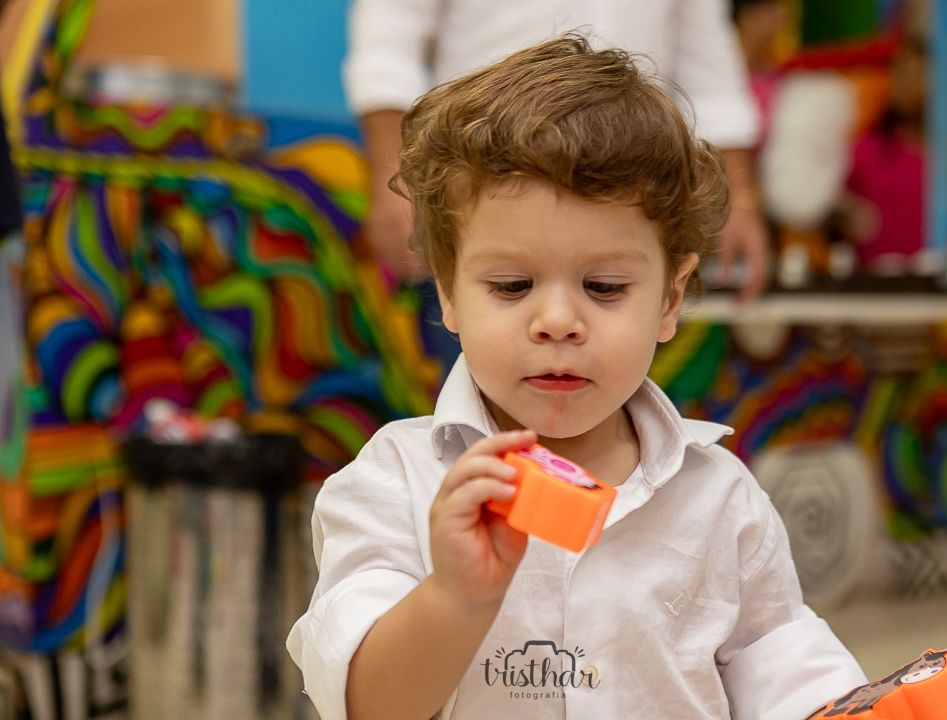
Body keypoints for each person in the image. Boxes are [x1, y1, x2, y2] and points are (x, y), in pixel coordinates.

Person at [288, 36, 866, 720]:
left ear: (671, 298)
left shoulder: (721, 500)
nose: (558, 322)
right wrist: (454, 596)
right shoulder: (398, 484)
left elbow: (786, 666)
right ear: (448, 294)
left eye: (604, 286)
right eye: (512, 285)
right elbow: (367, 704)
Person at [346, 0, 772, 304]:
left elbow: (706, 55)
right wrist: (394, 179)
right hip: (488, 183)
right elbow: (389, 33)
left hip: (636, 195)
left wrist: (740, 197)